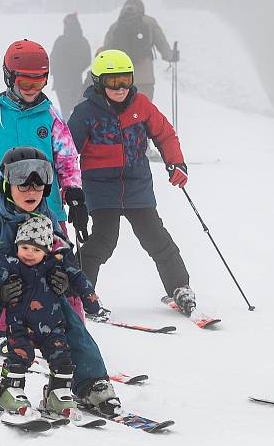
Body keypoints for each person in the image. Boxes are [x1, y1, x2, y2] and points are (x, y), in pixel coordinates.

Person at [0, 147, 121, 415]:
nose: (31, 191)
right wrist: (0, 287)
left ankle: (91, 383)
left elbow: (61, 255)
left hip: (39, 293)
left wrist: (61, 277)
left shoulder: (47, 217)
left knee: (70, 321)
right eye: (22, 183)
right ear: (7, 183)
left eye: (39, 183)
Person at [67, 49, 196, 315]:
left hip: (137, 185)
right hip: (101, 188)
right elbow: (67, 151)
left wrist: (176, 163)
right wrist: (68, 188)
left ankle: (180, 286)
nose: (121, 88)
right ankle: (79, 290)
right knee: (104, 240)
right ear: (99, 82)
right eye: (113, 82)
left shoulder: (142, 106)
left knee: (156, 238)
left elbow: (165, 134)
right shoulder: (85, 113)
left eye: (126, 80)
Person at [0, 214, 102, 416]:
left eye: (36, 249)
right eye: (24, 247)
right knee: (19, 357)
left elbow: (78, 277)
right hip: (20, 326)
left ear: (47, 250)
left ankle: (58, 393)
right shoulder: (8, 263)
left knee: (62, 358)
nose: (29, 254)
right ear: (17, 246)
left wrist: (90, 300)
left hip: (53, 326)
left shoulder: (56, 264)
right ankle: (8, 390)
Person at [0, 39, 86, 237]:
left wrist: (73, 192)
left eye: (39, 82)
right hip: (3, 212)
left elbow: (66, 160)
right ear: (10, 77)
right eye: (25, 82)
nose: (32, 88)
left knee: (57, 263)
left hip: (47, 211)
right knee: (1, 264)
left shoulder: (51, 116)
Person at [103, 0, 178, 102]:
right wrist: (170, 56)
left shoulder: (116, 26)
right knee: (143, 112)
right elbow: (161, 43)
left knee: (123, 114)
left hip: (120, 80)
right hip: (145, 79)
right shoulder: (150, 22)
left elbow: (105, 51)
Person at [49, 13, 91, 117]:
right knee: (76, 108)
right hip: (75, 81)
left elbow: (52, 58)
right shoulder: (83, 41)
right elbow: (88, 60)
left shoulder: (60, 40)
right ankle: (74, 130)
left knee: (65, 110)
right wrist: (77, 70)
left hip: (61, 82)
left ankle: (67, 131)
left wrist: (56, 73)